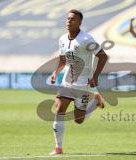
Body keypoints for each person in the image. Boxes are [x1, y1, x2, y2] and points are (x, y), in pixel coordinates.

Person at [49, 9, 108, 155]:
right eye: (68, 19)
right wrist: (55, 73)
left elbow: (103, 56)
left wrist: (95, 76)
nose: (69, 21)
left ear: (80, 22)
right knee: (59, 110)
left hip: (83, 83)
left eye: (73, 19)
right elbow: (63, 59)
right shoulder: (62, 39)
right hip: (67, 81)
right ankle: (58, 148)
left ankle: (95, 102)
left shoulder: (86, 39)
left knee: (78, 120)